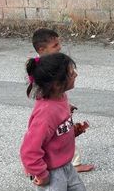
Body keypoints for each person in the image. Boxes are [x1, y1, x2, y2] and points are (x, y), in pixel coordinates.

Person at [19, 53, 88, 191]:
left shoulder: (60, 100)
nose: (75, 74)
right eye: (71, 73)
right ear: (57, 83)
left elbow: (55, 135)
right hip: (50, 173)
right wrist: (40, 173)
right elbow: (29, 150)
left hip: (65, 166)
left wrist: (72, 131)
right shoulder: (46, 112)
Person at [32, 28, 95, 173]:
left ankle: (68, 161)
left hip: (58, 108)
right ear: (41, 49)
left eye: (58, 44)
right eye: (55, 45)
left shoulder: (54, 64)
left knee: (62, 135)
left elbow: (58, 93)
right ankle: (70, 162)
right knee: (58, 136)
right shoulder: (42, 69)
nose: (59, 47)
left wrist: (65, 105)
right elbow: (44, 95)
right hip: (52, 112)